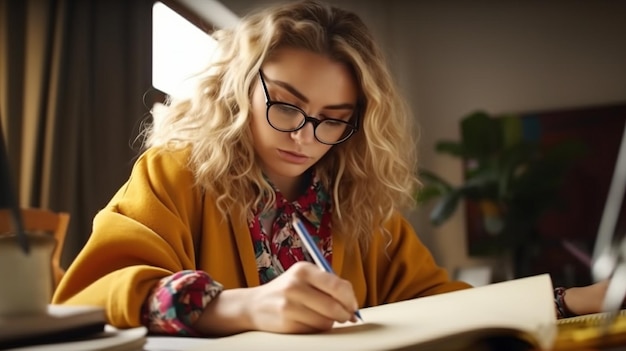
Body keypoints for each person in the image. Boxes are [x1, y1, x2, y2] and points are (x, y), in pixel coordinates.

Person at [52, 0, 621, 337]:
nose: (305, 135)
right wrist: (238, 305)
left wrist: (582, 300)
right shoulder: (176, 174)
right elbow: (90, 295)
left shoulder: (359, 206)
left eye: (333, 118)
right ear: (237, 91)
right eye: (287, 105)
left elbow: (442, 307)